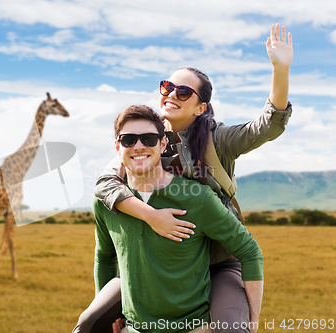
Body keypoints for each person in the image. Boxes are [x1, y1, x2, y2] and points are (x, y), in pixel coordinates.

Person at [73, 23, 292, 333]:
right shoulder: (144, 141)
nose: (172, 94)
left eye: (184, 91)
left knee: (231, 327)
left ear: (201, 107)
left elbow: (267, 127)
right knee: (90, 322)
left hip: (216, 258)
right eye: (167, 86)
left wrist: (280, 70)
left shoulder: (218, 140)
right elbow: (104, 184)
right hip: (155, 261)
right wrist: (152, 217)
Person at [89, 105, 264, 333]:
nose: (139, 146)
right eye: (129, 139)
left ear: (163, 144)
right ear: (117, 147)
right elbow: (104, 257)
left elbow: (249, 251)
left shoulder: (198, 199)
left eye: (149, 139)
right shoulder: (106, 203)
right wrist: (108, 315)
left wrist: (252, 321)